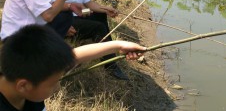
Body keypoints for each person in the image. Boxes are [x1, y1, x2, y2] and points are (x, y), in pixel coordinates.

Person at [0, 24, 146, 111]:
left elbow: (76, 55)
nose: (58, 87)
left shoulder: (29, 74)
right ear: (24, 85)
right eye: (53, 83)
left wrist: (119, 45)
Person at [49, 0, 127, 80]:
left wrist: (105, 9)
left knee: (101, 16)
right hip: (65, 21)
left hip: (78, 16)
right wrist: (63, 26)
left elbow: (89, 3)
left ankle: (107, 49)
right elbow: (49, 8)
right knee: (98, 28)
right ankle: (110, 64)